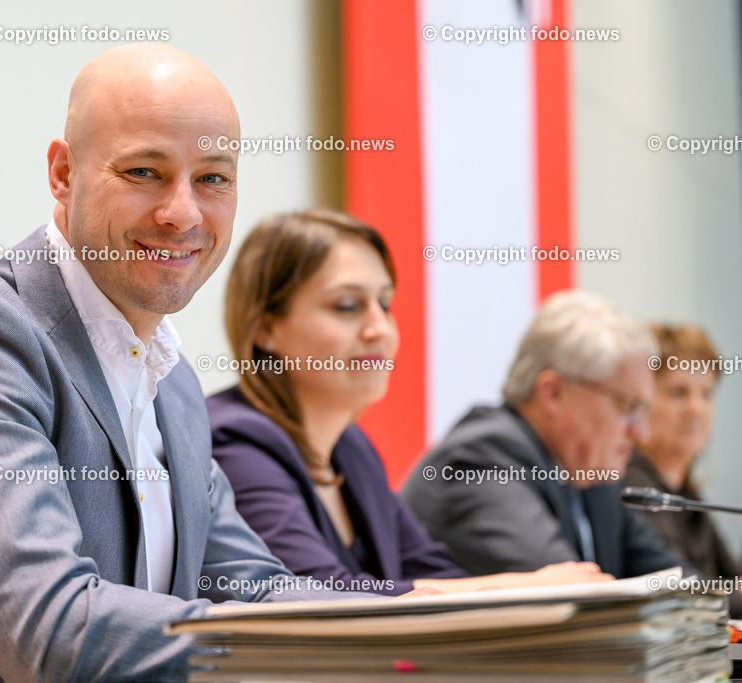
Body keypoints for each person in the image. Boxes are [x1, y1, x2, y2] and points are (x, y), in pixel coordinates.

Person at [0, 45, 367, 683]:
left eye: (213, 178)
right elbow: (54, 632)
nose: (183, 213)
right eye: (143, 172)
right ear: (63, 173)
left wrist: (426, 624)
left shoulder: (173, 381)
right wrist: (304, 653)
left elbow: (252, 587)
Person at [208, 209, 610, 595]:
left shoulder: (351, 448)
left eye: (384, 304)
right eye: (347, 306)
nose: (378, 329)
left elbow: (431, 570)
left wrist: (528, 588)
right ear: (265, 328)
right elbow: (322, 596)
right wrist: (529, 586)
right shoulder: (237, 445)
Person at [403, 290, 684, 579]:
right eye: (627, 406)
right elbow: (567, 594)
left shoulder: (592, 474)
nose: (641, 433)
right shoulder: (481, 460)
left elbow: (677, 582)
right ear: (554, 393)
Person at [625, 323, 742, 617]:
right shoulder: (634, 488)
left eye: (706, 394)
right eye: (678, 393)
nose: (696, 409)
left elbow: (731, 577)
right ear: (640, 401)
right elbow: (690, 592)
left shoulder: (685, 491)